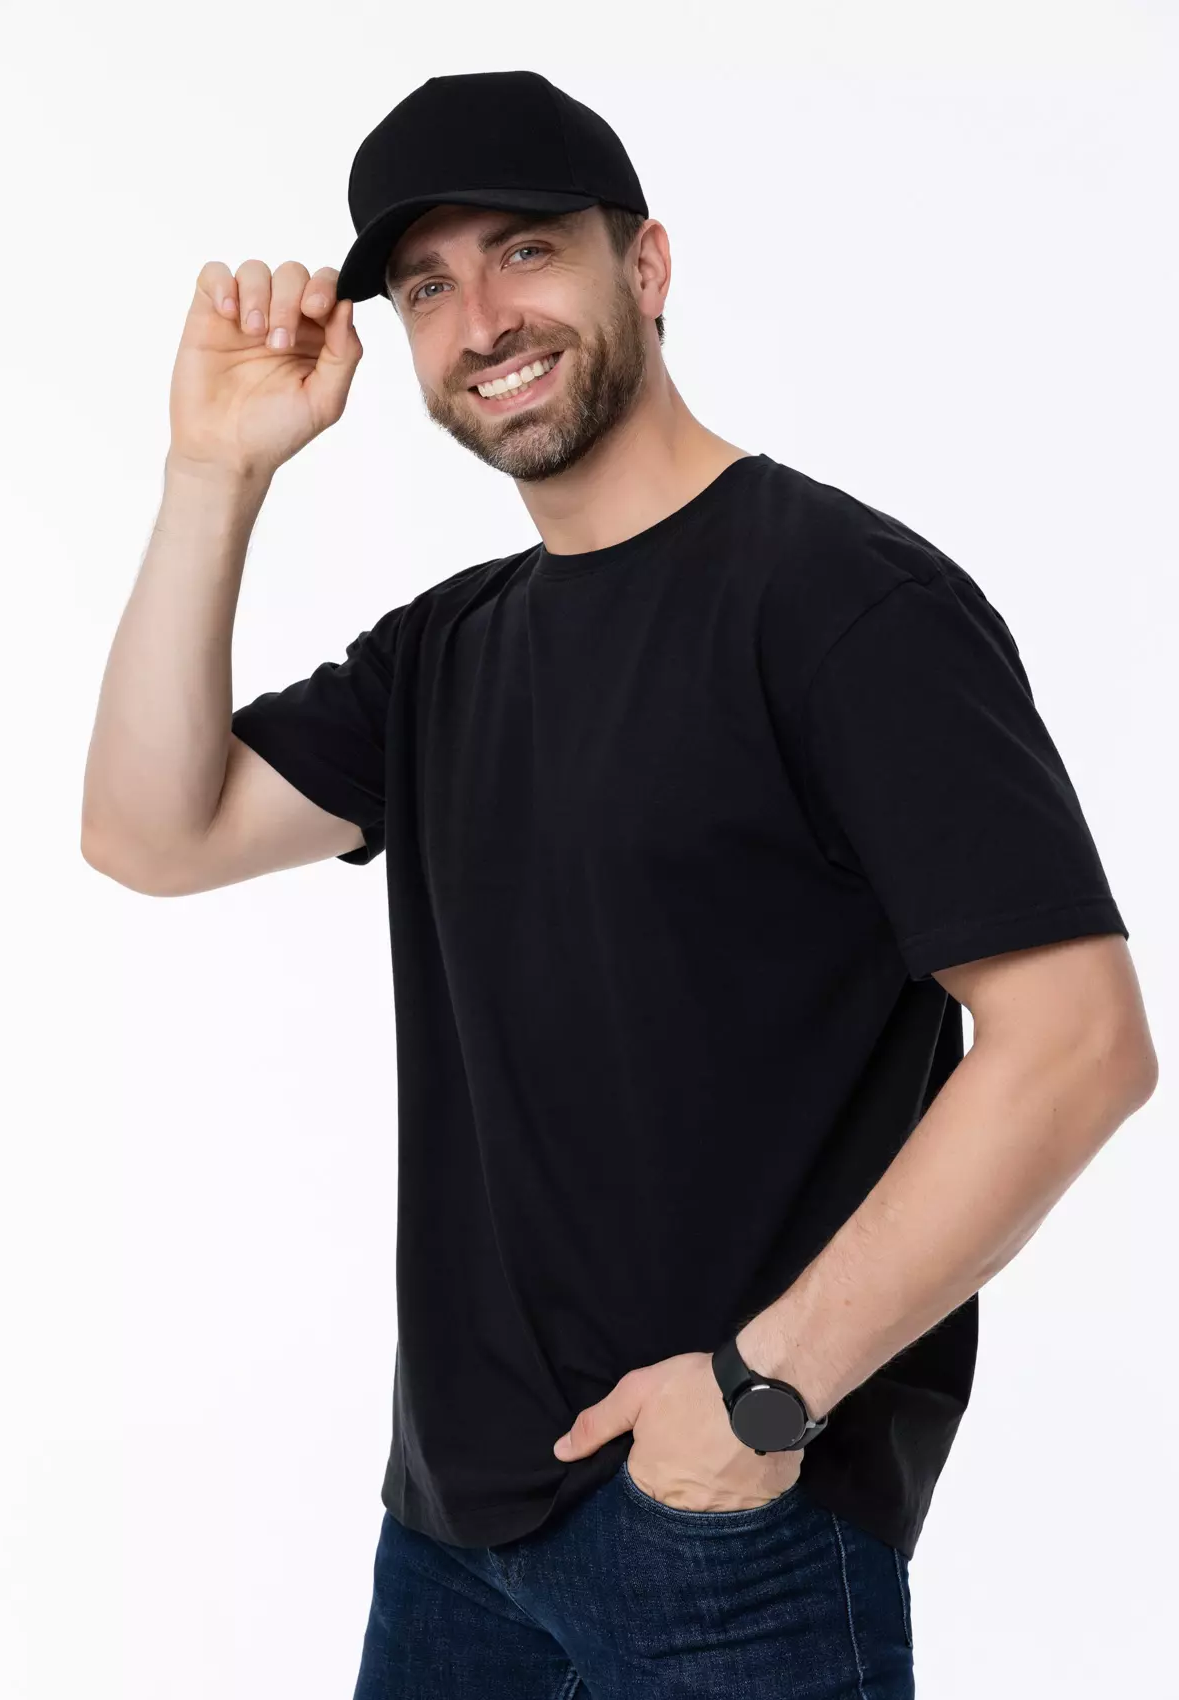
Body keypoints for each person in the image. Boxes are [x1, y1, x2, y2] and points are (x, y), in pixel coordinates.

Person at [81, 69, 1158, 1700]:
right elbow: (148, 832)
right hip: (451, 1541)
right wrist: (211, 476)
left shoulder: (843, 603)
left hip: (729, 1533)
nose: (481, 321)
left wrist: (760, 1396)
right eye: (426, 287)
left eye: (527, 252)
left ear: (644, 266)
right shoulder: (448, 650)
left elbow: (1078, 1044)